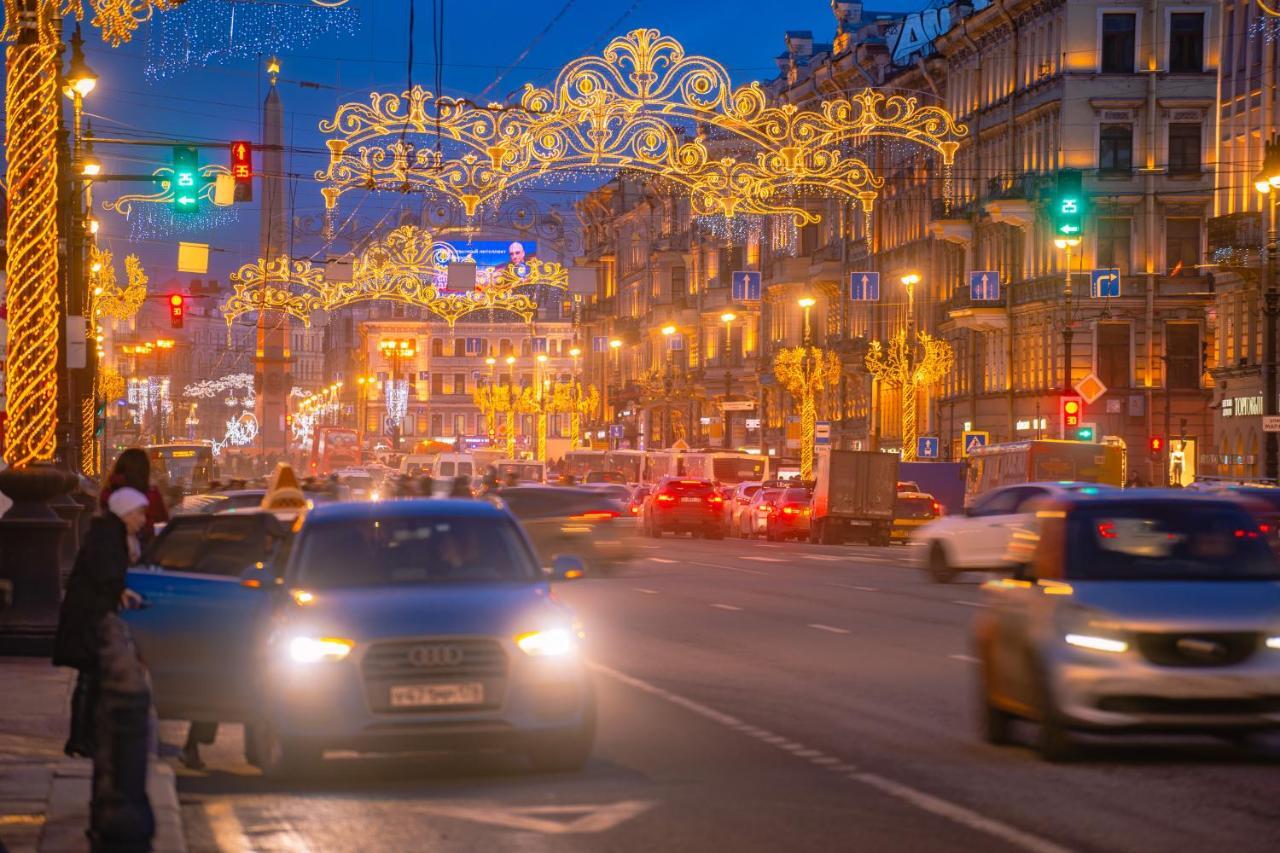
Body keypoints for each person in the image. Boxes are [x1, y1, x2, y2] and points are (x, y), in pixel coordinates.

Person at [53, 487, 148, 758]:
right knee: (90, 676)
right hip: (88, 615)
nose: (142, 520)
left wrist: (120, 591)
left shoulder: (109, 532)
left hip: (89, 612)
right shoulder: (109, 535)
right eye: (139, 513)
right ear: (127, 512)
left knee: (92, 676)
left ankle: (83, 739)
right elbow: (104, 573)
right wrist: (118, 589)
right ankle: (80, 740)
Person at [99, 448, 168, 546]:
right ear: (145, 470)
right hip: (146, 548)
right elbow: (163, 521)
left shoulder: (109, 492)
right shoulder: (152, 494)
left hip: (110, 544)